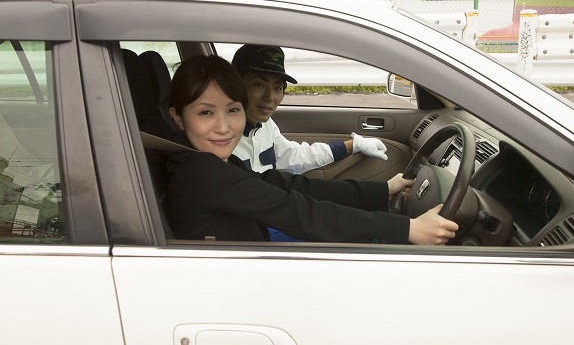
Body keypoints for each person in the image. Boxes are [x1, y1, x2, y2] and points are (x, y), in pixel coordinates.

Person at [166, 54, 459, 244]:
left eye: (233, 110)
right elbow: (296, 211)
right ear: (177, 116)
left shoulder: (215, 163)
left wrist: (383, 191)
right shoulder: (201, 171)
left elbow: (287, 184)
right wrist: (408, 230)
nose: (224, 127)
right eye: (205, 113)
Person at [231, 44, 388, 174]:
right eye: (260, 84)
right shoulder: (218, 138)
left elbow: (295, 157)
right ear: (235, 85)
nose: (270, 97)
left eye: (277, 87)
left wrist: (354, 145)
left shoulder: (265, 125)